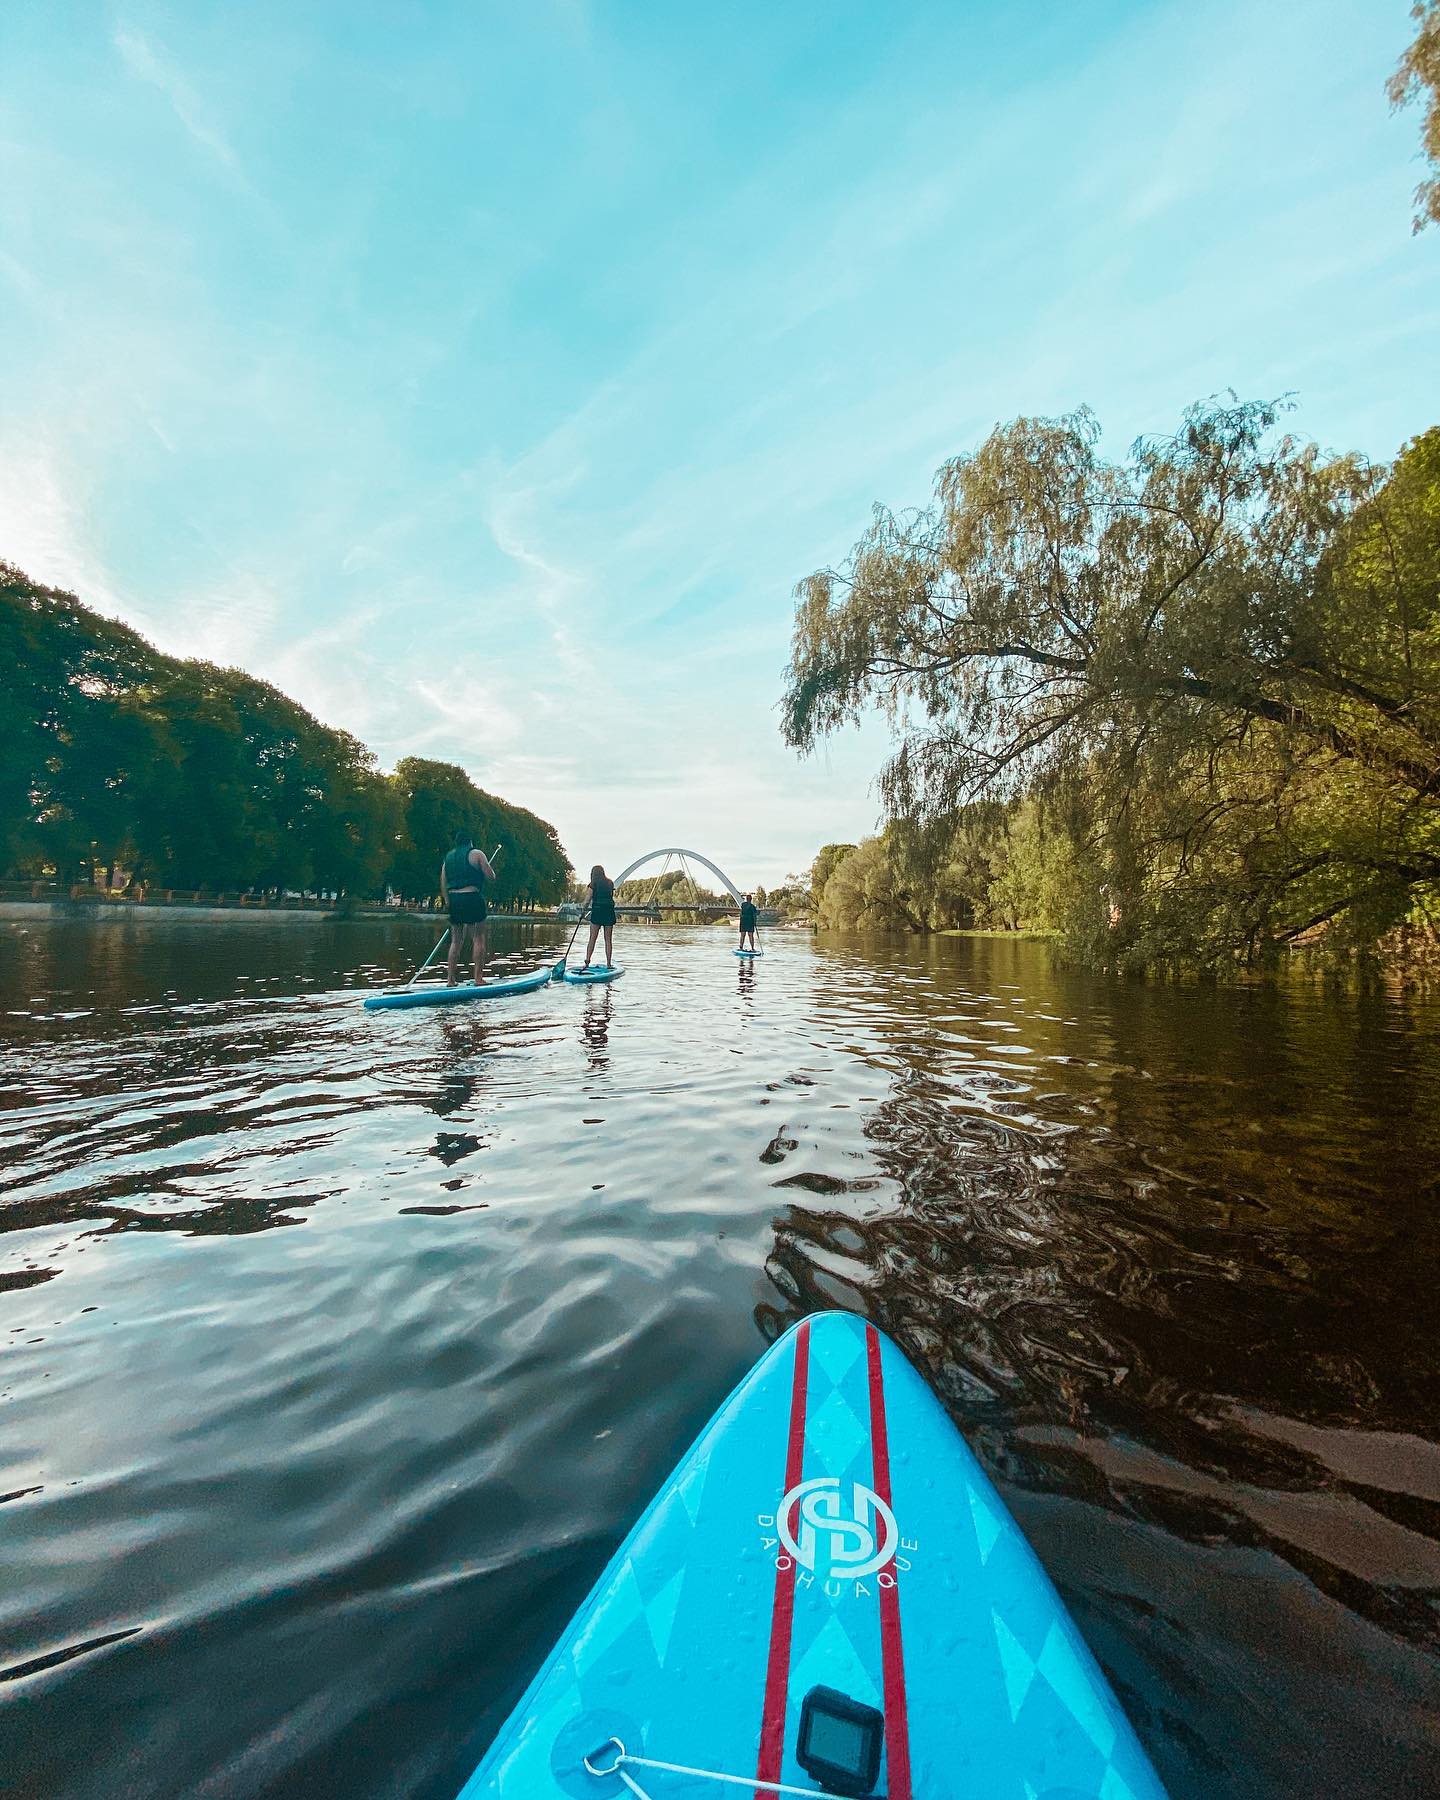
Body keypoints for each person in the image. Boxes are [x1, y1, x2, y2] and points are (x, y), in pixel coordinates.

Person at [439, 831, 496, 985]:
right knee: (478, 938)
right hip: (472, 898)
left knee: (455, 941)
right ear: (470, 842)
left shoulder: (448, 858)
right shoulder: (477, 853)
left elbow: (443, 882)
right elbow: (491, 876)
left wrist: (447, 902)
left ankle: (450, 980)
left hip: (454, 900)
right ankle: (478, 978)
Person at [580, 863, 617, 970]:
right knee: (608, 939)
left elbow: (588, 898)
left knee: (592, 938)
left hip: (597, 911)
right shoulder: (610, 883)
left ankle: (587, 962)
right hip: (609, 912)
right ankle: (609, 964)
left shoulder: (593, 883)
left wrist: (583, 911)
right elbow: (610, 896)